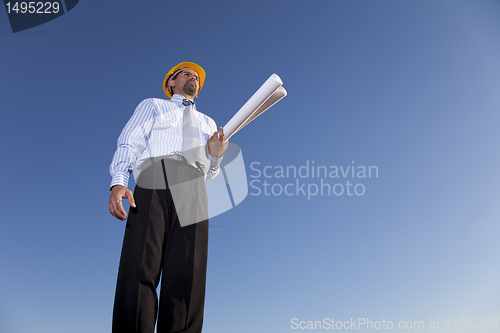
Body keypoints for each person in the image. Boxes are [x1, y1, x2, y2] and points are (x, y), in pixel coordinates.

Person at [108, 62, 227, 333]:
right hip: (155, 176)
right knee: (141, 263)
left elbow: (210, 173)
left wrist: (216, 155)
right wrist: (118, 182)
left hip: (194, 184)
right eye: (187, 74)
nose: (193, 79)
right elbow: (130, 141)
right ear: (171, 83)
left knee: (189, 272)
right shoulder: (152, 105)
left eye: (197, 77)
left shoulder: (208, 123)